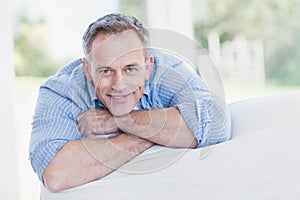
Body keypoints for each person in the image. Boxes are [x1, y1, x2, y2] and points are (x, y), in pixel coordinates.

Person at [29, 13, 231, 192]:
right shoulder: (61, 90)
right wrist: (156, 132)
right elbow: (56, 174)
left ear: (148, 66)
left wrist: (119, 122)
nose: (119, 85)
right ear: (87, 70)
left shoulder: (168, 72)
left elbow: (216, 123)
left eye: (130, 69)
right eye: (106, 71)